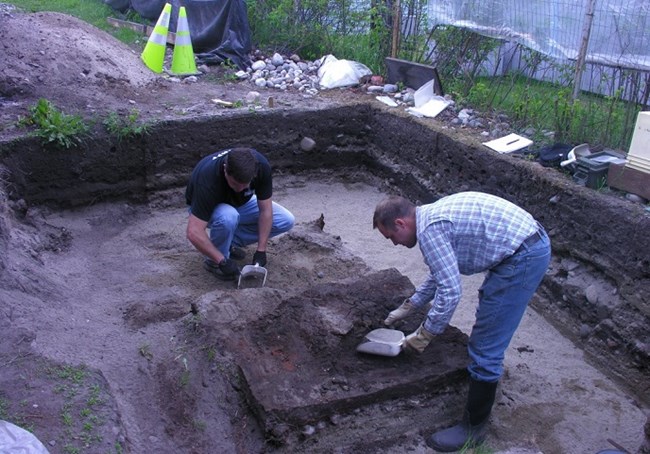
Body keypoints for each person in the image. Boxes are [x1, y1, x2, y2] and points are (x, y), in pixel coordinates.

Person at [373, 191, 551, 452]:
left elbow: (451, 291)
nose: (394, 245)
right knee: (488, 321)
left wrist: (424, 334)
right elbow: (440, 273)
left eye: (391, 237)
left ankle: (474, 428)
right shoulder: (429, 217)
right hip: (524, 244)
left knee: (485, 345)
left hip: (522, 255)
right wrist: (409, 306)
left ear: (400, 223)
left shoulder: (431, 230)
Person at [185, 147, 295, 280]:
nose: (240, 189)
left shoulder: (260, 166)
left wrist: (261, 250)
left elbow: (265, 211)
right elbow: (194, 231)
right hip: (209, 208)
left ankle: (228, 243)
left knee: (285, 219)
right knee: (228, 216)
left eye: (245, 185)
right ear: (225, 169)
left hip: (240, 203)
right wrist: (222, 261)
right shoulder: (208, 178)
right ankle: (213, 261)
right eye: (235, 184)